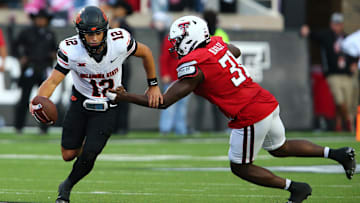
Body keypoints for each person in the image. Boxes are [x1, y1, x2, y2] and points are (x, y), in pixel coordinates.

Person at [110, 16, 357, 203]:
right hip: (265, 101)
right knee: (280, 148)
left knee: (240, 166)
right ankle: (338, 154)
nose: (175, 46)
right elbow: (234, 51)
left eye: (178, 41)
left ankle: (296, 188)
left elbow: (163, 102)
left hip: (249, 113)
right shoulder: (216, 43)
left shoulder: (194, 64)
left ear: (191, 38)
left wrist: (124, 96)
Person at [29, 6, 162, 203]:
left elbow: (146, 52)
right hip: (80, 100)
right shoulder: (71, 49)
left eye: (97, 33)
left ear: (105, 30)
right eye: (88, 34)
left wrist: (153, 85)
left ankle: (66, 187)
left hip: (109, 103)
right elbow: (53, 81)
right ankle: (88, 145)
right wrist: (39, 101)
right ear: (79, 34)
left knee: (90, 153)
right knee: (68, 154)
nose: (93, 38)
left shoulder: (120, 41)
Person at [301, 13, 353, 132]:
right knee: (339, 100)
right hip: (332, 74)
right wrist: (307, 31)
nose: (337, 26)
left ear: (342, 25)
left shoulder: (346, 38)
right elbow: (313, 35)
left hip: (346, 74)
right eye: (335, 24)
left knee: (346, 102)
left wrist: (353, 64)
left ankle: (339, 125)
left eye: (339, 24)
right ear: (331, 24)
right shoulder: (326, 36)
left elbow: (353, 53)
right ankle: (348, 123)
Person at [14, 9, 57, 134]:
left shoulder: (50, 34)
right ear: (34, 19)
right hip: (30, 68)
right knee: (24, 98)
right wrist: (21, 57)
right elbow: (15, 46)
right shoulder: (26, 32)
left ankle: (44, 127)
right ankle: (19, 126)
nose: (40, 21)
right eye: (38, 18)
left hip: (44, 69)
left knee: (44, 100)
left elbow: (55, 49)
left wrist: (54, 55)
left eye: (43, 18)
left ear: (47, 20)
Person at [193, 9, 230, 132]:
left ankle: (197, 129)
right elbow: (226, 54)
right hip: (217, 75)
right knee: (218, 104)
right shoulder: (221, 34)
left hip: (202, 74)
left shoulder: (200, 34)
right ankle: (219, 129)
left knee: (201, 104)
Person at [108, 0, 134, 134]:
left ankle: (122, 126)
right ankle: (112, 125)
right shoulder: (110, 25)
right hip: (109, 65)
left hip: (122, 65)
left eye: (117, 8)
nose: (115, 11)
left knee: (122, 95)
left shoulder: (126, 27)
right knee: (110, 95)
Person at [158, 34, 189, 135]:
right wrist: (165, 73)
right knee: (169, 105)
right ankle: (165, 128)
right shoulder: (170, 40)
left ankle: (180, 129)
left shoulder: (190, 39)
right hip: (172, 78)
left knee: (182, 106)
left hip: (185, 78)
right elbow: (164, 58)